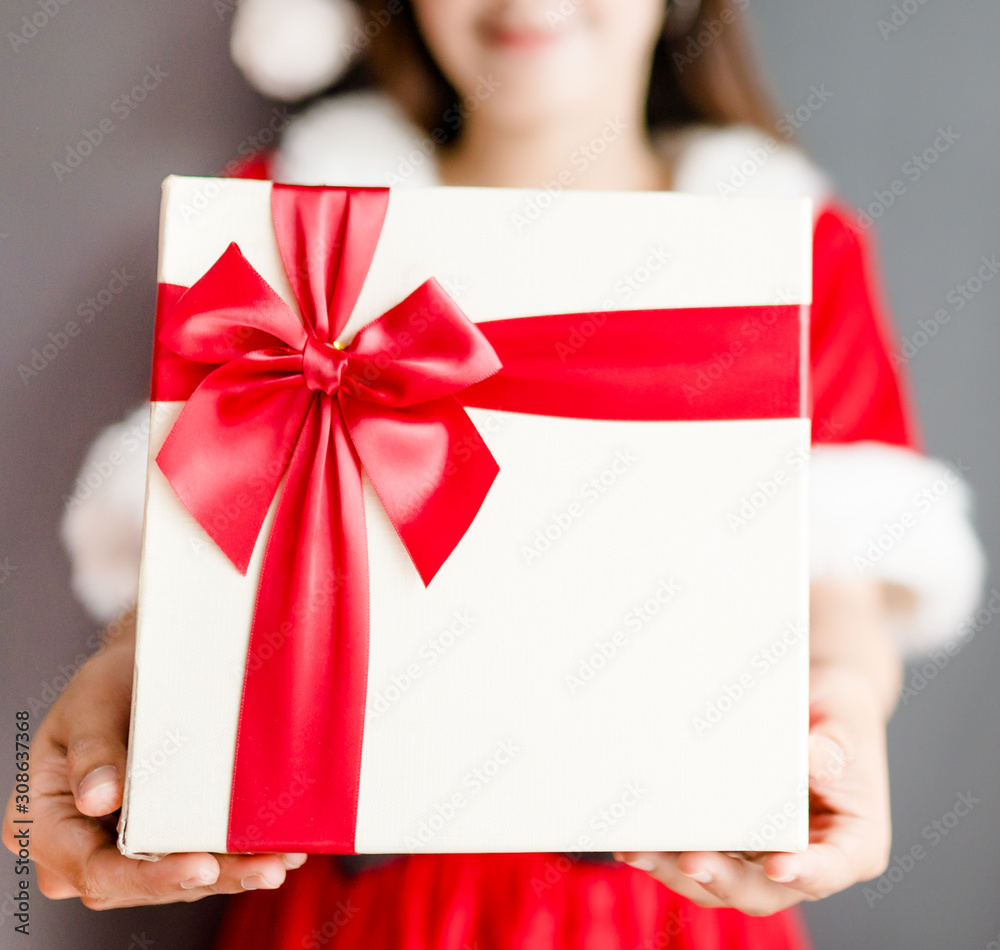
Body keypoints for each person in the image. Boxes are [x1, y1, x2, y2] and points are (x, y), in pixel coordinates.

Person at [4, 0, 987, 947]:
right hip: (348, 903)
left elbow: (836, 581)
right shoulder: (287, 226)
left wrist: (840, 708)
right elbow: (209, 534)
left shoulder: (800, 248)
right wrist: (142, 675)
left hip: (668, 898)